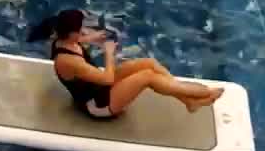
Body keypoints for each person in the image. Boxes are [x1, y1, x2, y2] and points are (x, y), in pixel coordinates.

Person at [29, 9, 224, 119]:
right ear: (69, 32)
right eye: (79, 30)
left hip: (98, 89)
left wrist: (91, 38)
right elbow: (108, 78)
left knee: (148, 63)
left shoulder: (63, 41)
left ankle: (187, 99)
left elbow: (76, 42)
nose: (83, 31)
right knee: (147, 77)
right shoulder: (68, 61)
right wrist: (109, 53)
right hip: (97, 104)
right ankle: (203, 94)